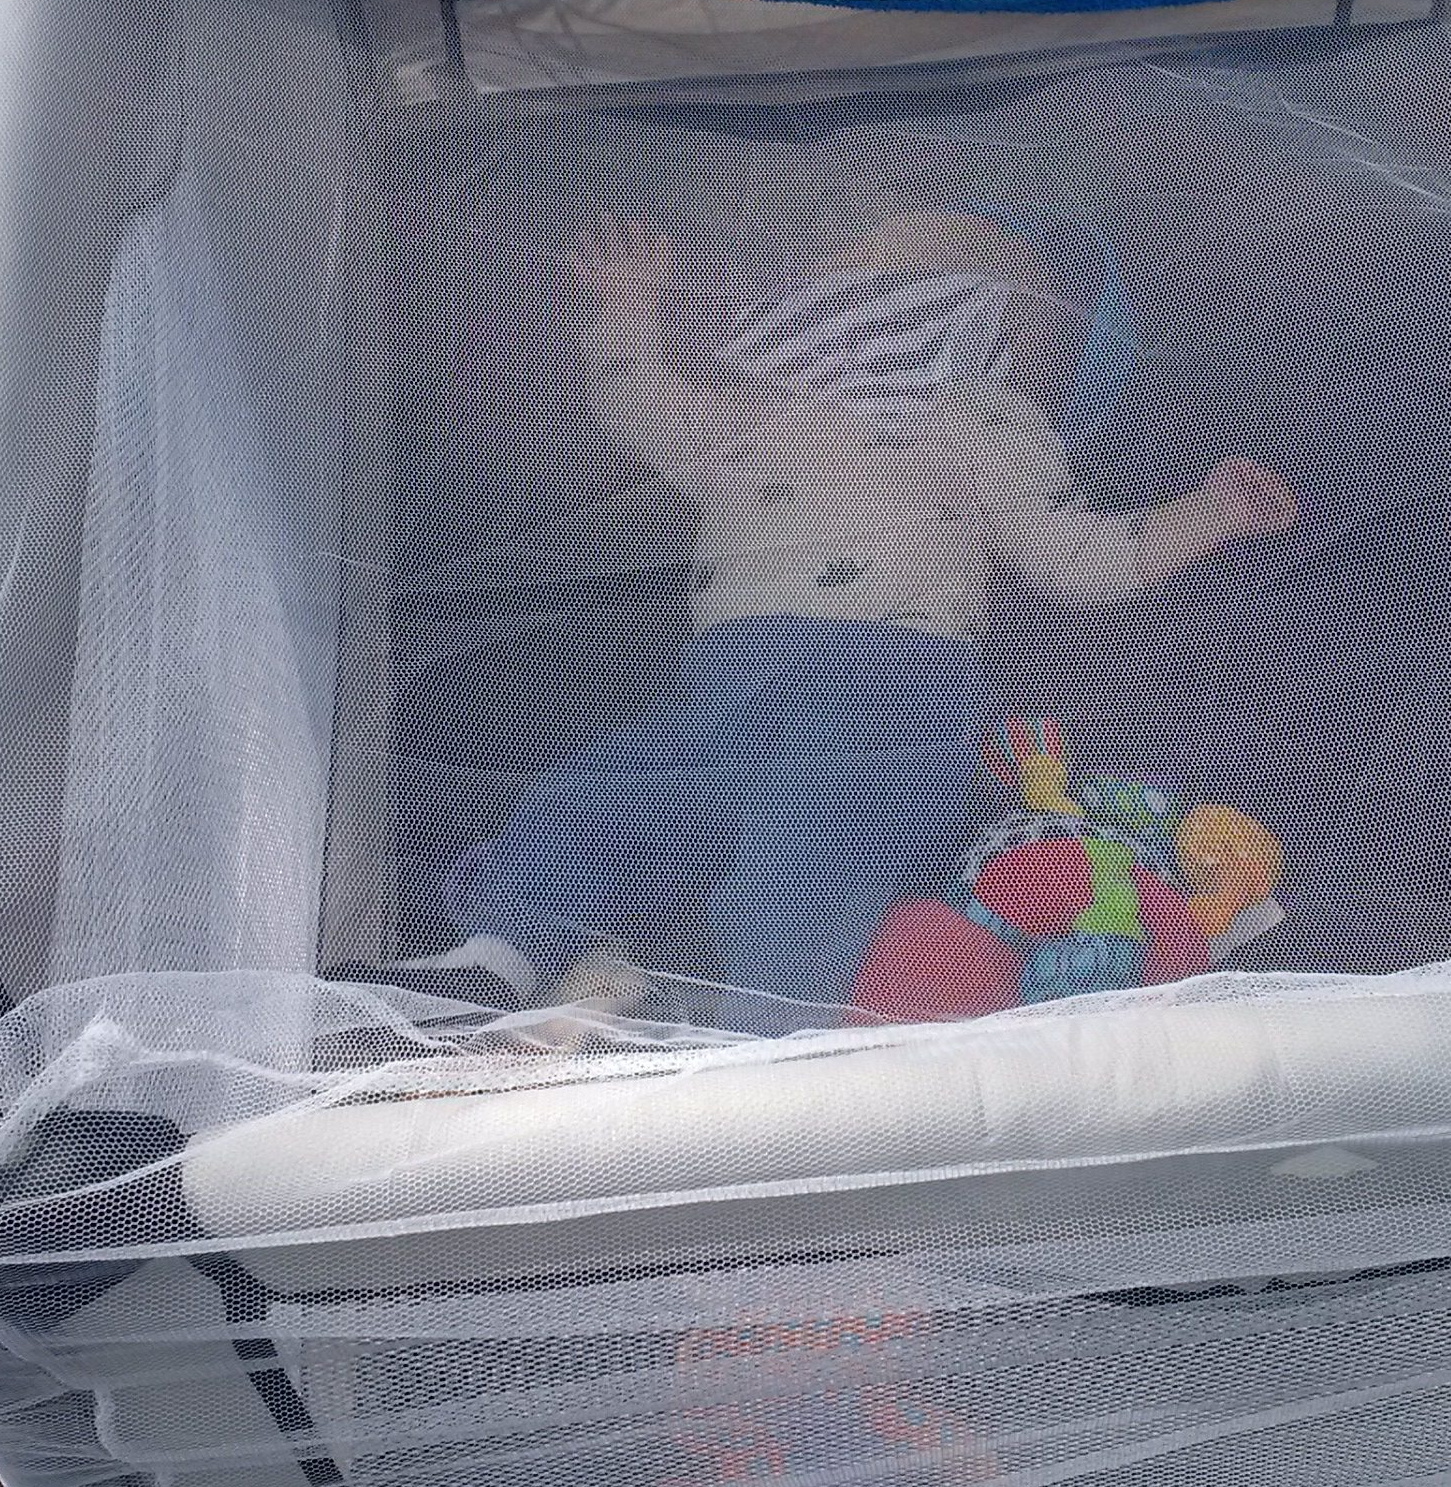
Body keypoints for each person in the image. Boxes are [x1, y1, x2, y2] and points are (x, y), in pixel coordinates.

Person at [444, 209, 1295, 1028]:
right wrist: (627, 315)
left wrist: (1209, 513)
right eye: (855, 269)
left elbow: (1075, 557)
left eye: (914, 275)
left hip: (886, 695)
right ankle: (503, 960)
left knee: (807, 858)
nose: (869, 285)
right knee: (596, 799)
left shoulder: (981, 422)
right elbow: (651, 418)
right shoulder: (767, 406)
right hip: (727, 691)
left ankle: (764, 1038)